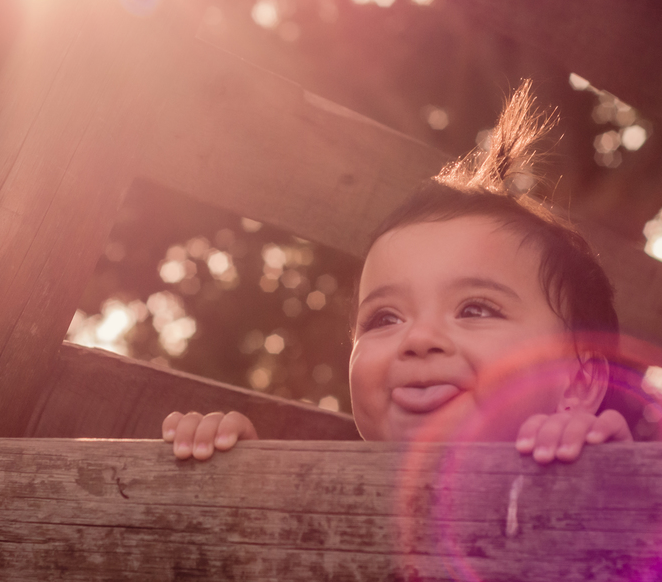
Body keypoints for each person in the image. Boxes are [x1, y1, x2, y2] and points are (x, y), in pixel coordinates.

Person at [163, 84, 632, 463]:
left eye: (475, 308)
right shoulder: (326, 495)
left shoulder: (602, 477)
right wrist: (241, 475)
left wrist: (613, 479)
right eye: (384, 319)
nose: (419, 339)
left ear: (580, 382)